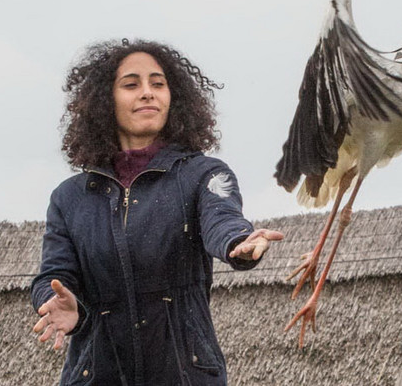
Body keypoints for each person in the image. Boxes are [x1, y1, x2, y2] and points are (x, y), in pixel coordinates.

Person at [30, 38, 283, 385]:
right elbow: (53, 276)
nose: (148, 93)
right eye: (131, 84)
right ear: (106, 101)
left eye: (158, 84)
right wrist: (57, 301)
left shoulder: (203, 174)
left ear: (173, 98)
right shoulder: (69, 198)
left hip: (186, 375)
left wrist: (238, 241)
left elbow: (221, 219)